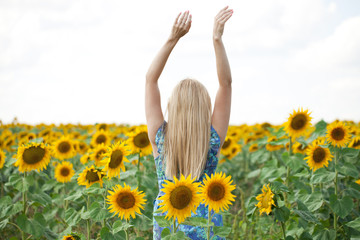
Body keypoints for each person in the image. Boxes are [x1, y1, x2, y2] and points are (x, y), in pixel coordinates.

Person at [145, 6, 233, 240]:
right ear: (204, 109)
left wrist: (172, 38)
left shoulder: (159, 138)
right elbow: (226, 84)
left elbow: (150, 80)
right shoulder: (212, 140)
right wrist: (217, 39)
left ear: (173, 107)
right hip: (207, 226)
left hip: (167, 225)